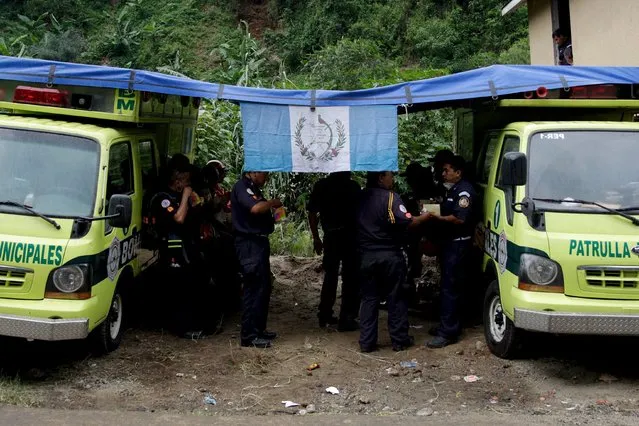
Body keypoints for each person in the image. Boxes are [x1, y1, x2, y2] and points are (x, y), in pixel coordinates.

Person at [356, 171, 431, 353]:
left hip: (366, 256)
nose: (393, 179)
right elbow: (407, 222)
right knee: (396, 297)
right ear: (381, 178)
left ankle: (366, 342)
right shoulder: (390, 198)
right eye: (390, 175)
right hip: (389, 255)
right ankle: (399, 340)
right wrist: (425, 216)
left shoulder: (359, 196)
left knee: (369, 299)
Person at [150, 160, 209, 338]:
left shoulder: (177, 196)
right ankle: (182, 328)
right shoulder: (162, 198)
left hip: (185, 246)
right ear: (177, 180)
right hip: (171, 250)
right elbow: (179, 218)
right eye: (185, 181)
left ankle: (192, 323)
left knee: (191, 284)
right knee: (179, 288)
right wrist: (185, 197)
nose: (186, 185)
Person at [425, 155, 477, 349]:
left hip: (458, 244)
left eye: (447, 170)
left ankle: (449, 332)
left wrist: (436, 216)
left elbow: (459, 219)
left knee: (450, 286)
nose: (443, 173)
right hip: (450, 243)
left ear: (458, 172)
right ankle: (446, 324)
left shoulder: (464, 192)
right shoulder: (453, 190)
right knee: (447, 285)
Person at [231, 170, 282, 348]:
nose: (266, 178)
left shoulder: (254, 188)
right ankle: (249, 336)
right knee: (253, 288)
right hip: (248, 244)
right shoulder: (241, 187)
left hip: (259, 242)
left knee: (263, 287)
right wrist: (272, 203)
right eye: (265, 174)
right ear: (253, 172)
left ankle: (259, 329)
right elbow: (255, 208)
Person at [307, 171, 361, 331]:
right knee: (350, 277)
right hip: (350, 236)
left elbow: (312, 213)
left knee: (330, 276)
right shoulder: (353, 186)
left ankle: (325, 314)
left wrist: (316, 237)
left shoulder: (322, 185)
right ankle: (347, 317)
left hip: (331, 235)